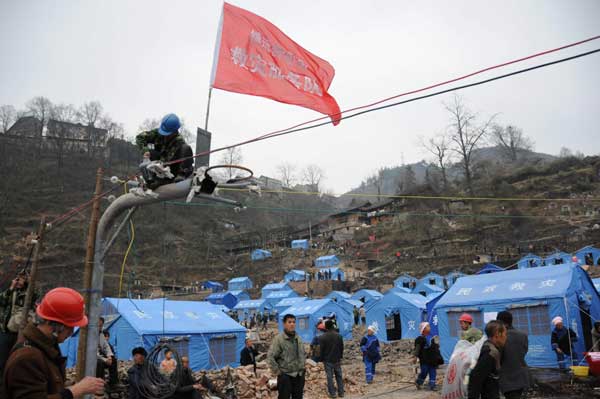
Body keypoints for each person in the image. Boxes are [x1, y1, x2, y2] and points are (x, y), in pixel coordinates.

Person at [3, 287, 104, 399]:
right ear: (55, 326)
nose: (71, 333)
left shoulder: (45, 347)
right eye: (70, 327)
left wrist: (67, 387)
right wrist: (74, 391)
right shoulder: (27, 358)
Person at [135, 113, 194, 189]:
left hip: (173, 168)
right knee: (151, 153)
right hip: (160, 165)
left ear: (175, 131)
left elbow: (167, 160)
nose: (165, 135)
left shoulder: (178, 142)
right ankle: (152, 179)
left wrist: (160, 170)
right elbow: (140, 137)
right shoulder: (158, 133)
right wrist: (145, 151)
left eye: (168, 134)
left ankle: (179, 176)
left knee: (186, 148)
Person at [0, 270, 36, 377]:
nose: (20, 281)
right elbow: (1, 301)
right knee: (2, 360)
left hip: (21, 333)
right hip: (5, 331)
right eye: (19, 278)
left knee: (17, 359)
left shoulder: (29, 293)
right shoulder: (11, 291)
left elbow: (34, 296)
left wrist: (30, 283)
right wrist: (11, 288)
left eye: (23, 279)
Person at [267, 314, 306, 399]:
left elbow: (302, 354)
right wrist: (279, 372)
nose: (292, 324)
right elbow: (270, 357)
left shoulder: (298, 338)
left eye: (293, 322)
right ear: (284, 324)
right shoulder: (279, 340)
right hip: (286, 376)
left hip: (299, 375)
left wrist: (303, 369)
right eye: (289, 322)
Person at [468, 320, 508, 399]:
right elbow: (475, 378)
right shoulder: (490, 353)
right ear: (497, 334)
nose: (506, 337)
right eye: (505, 334)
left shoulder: (491, 346)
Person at [496, 311, 529, 399]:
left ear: (501, 323)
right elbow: (524, 352)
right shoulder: (523, 335)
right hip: (522, 377)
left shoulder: (501, 337)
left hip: (507, 379)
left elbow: (498, 357)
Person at [319, 319, 345, 398]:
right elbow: (341, 348)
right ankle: (341, 393)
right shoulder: (339, 336)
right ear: (333, 326)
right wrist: (340, 356)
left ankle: (333, 394)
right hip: (337, 359)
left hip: (327, 360)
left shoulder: (322, 337)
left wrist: (321, 359)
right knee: (339, 376)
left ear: (326, 327)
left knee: (329, 377)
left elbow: (321, 350)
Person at [414, 322, 442, 391]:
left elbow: (435, 348)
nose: (430, 327)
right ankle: (418, 382)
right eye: (428, 326)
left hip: (432, 360)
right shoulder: (420, 339)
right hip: (424, 360)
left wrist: (438, 358)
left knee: (433, 372)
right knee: (424, 371)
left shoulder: (432, 337)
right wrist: (415, 356)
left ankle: (432, 386)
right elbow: (417, 349)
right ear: (423, 329)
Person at [96, 317, 117, 387]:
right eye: (98, 325)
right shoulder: (90, 335)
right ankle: (99, 384)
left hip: (100, 357)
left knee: (114, 360)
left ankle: (113, 383)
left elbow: (106, 346)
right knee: (100, 363)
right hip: (91, 359)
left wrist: (109, 356)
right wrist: (105, 360)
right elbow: (94, 353)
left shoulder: (101, 334)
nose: (100, 327)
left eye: (101, 325)